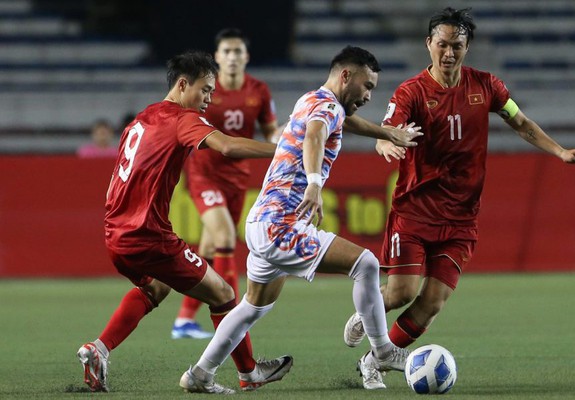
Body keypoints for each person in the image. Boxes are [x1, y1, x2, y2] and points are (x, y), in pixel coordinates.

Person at [342, 7, 575, 389]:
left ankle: (373, 361)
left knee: (432, 304)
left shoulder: (488, 87)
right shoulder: (411, 91)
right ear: (428, 44)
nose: (448, 53)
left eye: (456, 45)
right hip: (415, 210)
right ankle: (370, 308)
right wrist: (384, 143)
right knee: (402, 291)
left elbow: (520, 122)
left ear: (467, 47)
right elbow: (388, 128)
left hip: (461, 219)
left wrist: (559, 151)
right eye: (441, 44)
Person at [179, 45, 423, 392]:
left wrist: (387, 132)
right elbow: (315, 135)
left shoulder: (314, 99)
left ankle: (200, 374)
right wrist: (313, 183)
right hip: (281, 225)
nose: (370, 95)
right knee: (366, 264)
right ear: (346, 76)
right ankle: (383, 350)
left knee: (252, 307)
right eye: (367, 86)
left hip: (261, 222)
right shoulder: (325, 109)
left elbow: (340, 121)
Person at [76, 50, 293, 394]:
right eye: (205, 90)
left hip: (116, 234)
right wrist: (284, 151)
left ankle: (98, 350)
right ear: (182, 84)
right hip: (148, 236)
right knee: (223, 293)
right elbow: (227, 146)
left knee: (155, 288)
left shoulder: (141, 119)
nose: (209, 98)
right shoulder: (182, 118)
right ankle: (250, 373)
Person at [171, 28, 280, 340]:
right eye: (226, 52)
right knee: (226, 237)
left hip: (237, 178)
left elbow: (269, 131)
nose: (232, 57)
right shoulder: (207, 89)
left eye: (237, 52)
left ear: (246, 57)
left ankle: (183, 321)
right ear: (217, 58)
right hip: (204, 174)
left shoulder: (259, 90)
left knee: (207, 248)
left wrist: (283, 137)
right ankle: (233, 318)